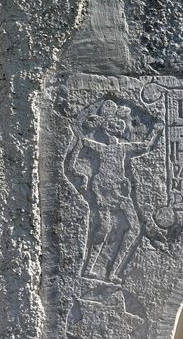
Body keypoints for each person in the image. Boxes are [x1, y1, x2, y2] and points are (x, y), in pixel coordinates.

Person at [65, 99, 163, 283]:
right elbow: (79, 143)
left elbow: (145, 146)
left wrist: (156, 131)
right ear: (104, 126)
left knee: (134, 228)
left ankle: (112, 272)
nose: (117, 126)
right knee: (103, 228)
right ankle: (88, 268)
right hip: (103, 189)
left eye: (119, 124)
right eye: (112, 124)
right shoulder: (99, 147)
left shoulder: (123, 148)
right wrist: (76, 172)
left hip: (121, 190)